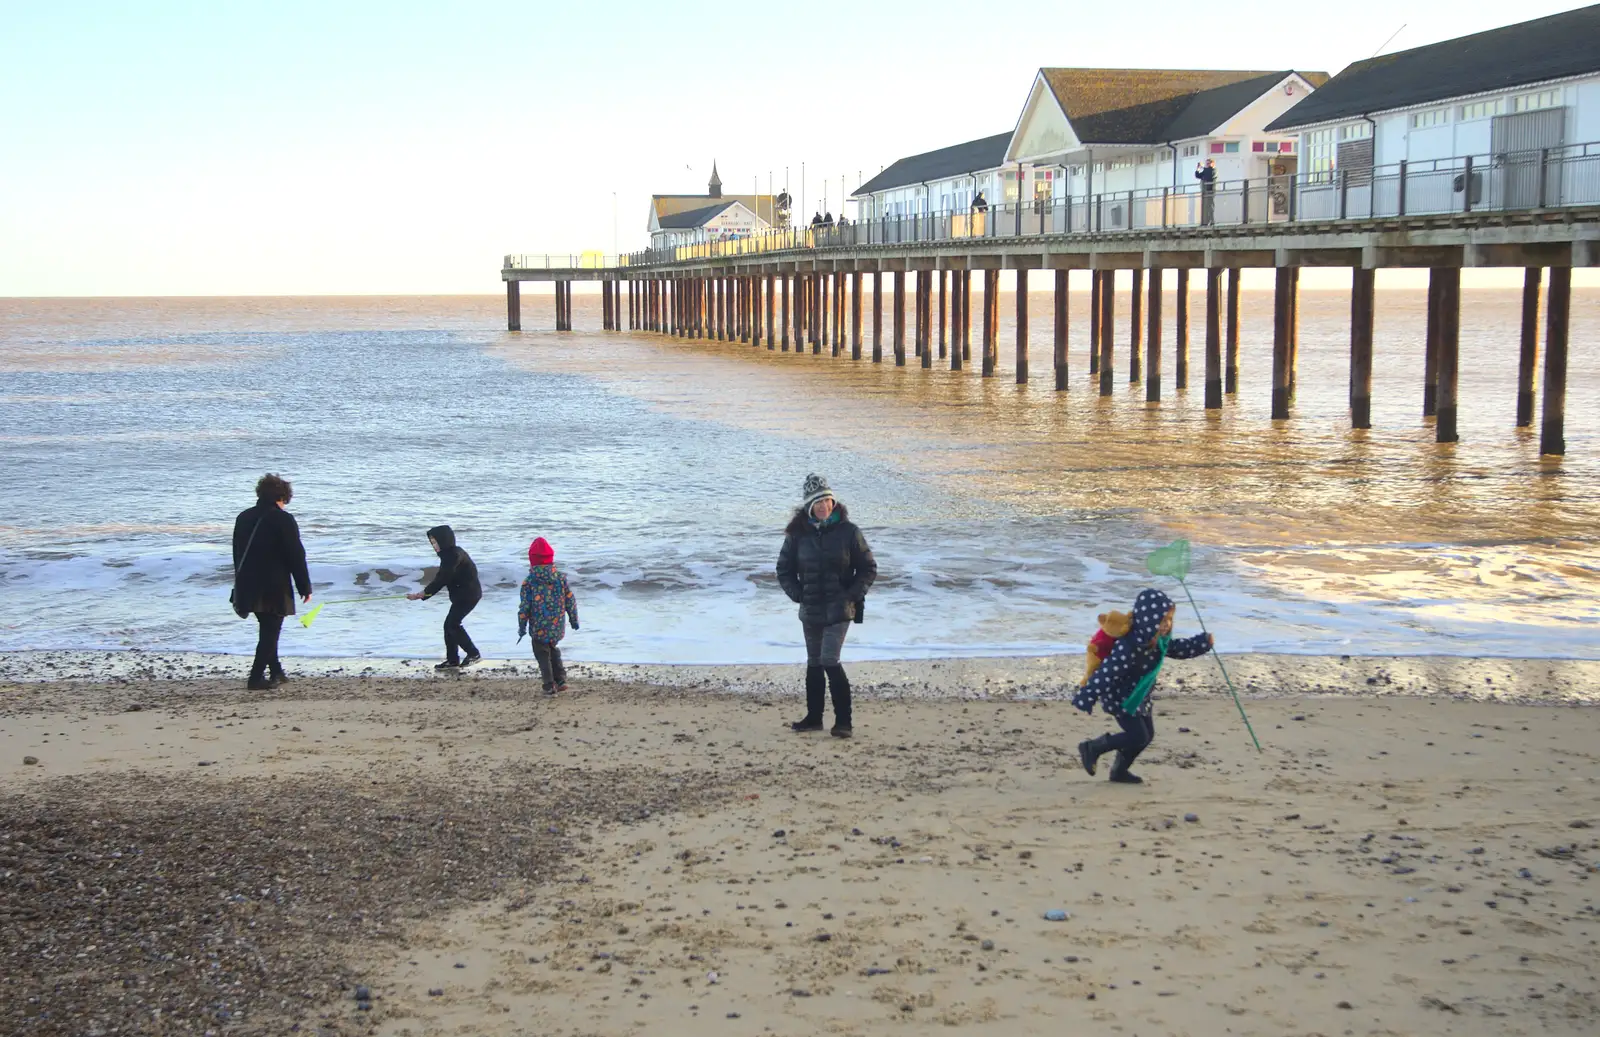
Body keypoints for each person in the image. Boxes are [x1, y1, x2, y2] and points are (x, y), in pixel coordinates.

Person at [1072, 589, 1213, 784]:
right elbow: (1108, 671)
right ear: (1149, 620)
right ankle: (1092, 748)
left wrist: (1202, 643)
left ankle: (1119, 771)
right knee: (1138, 736)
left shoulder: (1158, 642)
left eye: (1169, 621)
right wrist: (1088, 694)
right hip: (1121, 698)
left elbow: (1178, 648)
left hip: (1139, 697)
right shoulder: (1129, 645)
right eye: (1163, 621)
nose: (1167, 625)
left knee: (1146, 736)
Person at [775, 474, 877, 738]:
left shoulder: (849, 531)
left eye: (827, 501)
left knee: (830, 659)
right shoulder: (797, 535)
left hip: (839, 608)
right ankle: (813, 718)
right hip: (810, 608)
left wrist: (851, 596)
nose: (823, 506)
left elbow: (868, 568)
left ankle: (844, 722)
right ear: (809, 507)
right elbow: (783, 569)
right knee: (814, 663)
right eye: (817, 503)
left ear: (833, 501)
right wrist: (798, 594)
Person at [232, 473, 312, 690]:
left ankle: (276, 671)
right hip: (273, 584)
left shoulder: (243, 517)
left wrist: (239, 582)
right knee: (270, 630)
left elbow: (237, 552)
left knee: (267, 626)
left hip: (246, 582)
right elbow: (296, 555)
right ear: (282, 497)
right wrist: (304, 586)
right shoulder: (283, 519)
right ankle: (256, 677)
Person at [407, 525, 482, 670]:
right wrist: (425, 593)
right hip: (462, 596)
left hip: (468, 596)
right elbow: (444, 577)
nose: (434, 546)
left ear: (444, 540)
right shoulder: (449, 554)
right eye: (432, 543)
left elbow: (442, 578)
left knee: (452, 625)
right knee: (449, 626)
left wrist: (424, 594)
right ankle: (452, 660)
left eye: (436, 542)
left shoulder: (453, 555)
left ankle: (474, 653)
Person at [517, 536, 580, 695]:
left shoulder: (529, 581)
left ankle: (548, 684)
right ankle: (561, 680)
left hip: (538, 627)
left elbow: (525, 607)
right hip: (557, 625)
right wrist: (574, 620)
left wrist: (522, 627)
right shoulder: (560, 578)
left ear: (532, 560)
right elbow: (570, 600)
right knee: (553, 648)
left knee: (542, 653)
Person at [1195, 159, 1217, 226]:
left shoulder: (1213, 170)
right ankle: (1205, 222)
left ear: (1212, 164)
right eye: (1207, 164)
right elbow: (1198, 176)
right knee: (1205, 206)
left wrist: (1202, 167)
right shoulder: (1206, 170)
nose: (1207, 165)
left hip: (1210, 190)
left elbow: (1209, 174)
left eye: (1208, 163)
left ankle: (1212, 221)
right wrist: (1198, 169)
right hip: (1205, 191)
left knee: (1210, 206)